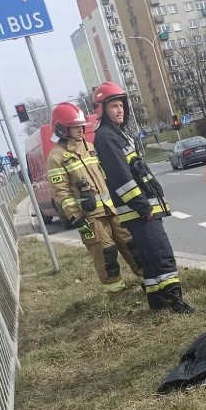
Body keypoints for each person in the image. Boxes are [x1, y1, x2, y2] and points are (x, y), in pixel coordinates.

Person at [92, 82, 195, 314]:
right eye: (114, 106)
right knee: (162, 254)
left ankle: (158, 302)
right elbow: (121, 177)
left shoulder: (116, 134)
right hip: (139, 209)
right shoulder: (107, 137)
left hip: (137, 209)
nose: (120, 110)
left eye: (121, 106)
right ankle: (175, 301)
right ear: (102, 109)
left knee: (149, 260)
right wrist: (142, 206)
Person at [46, 102, 143, 293]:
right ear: (62, 129)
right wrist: (75, 217)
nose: (81, 130)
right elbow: (61, 192)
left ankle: (147, 281)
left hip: (111, 209)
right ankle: (117, 293)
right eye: (75, 127)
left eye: (82, 126)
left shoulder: (91, 147)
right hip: (89, 217)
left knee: (131, 244)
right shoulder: (56, 157)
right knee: (106, 254)